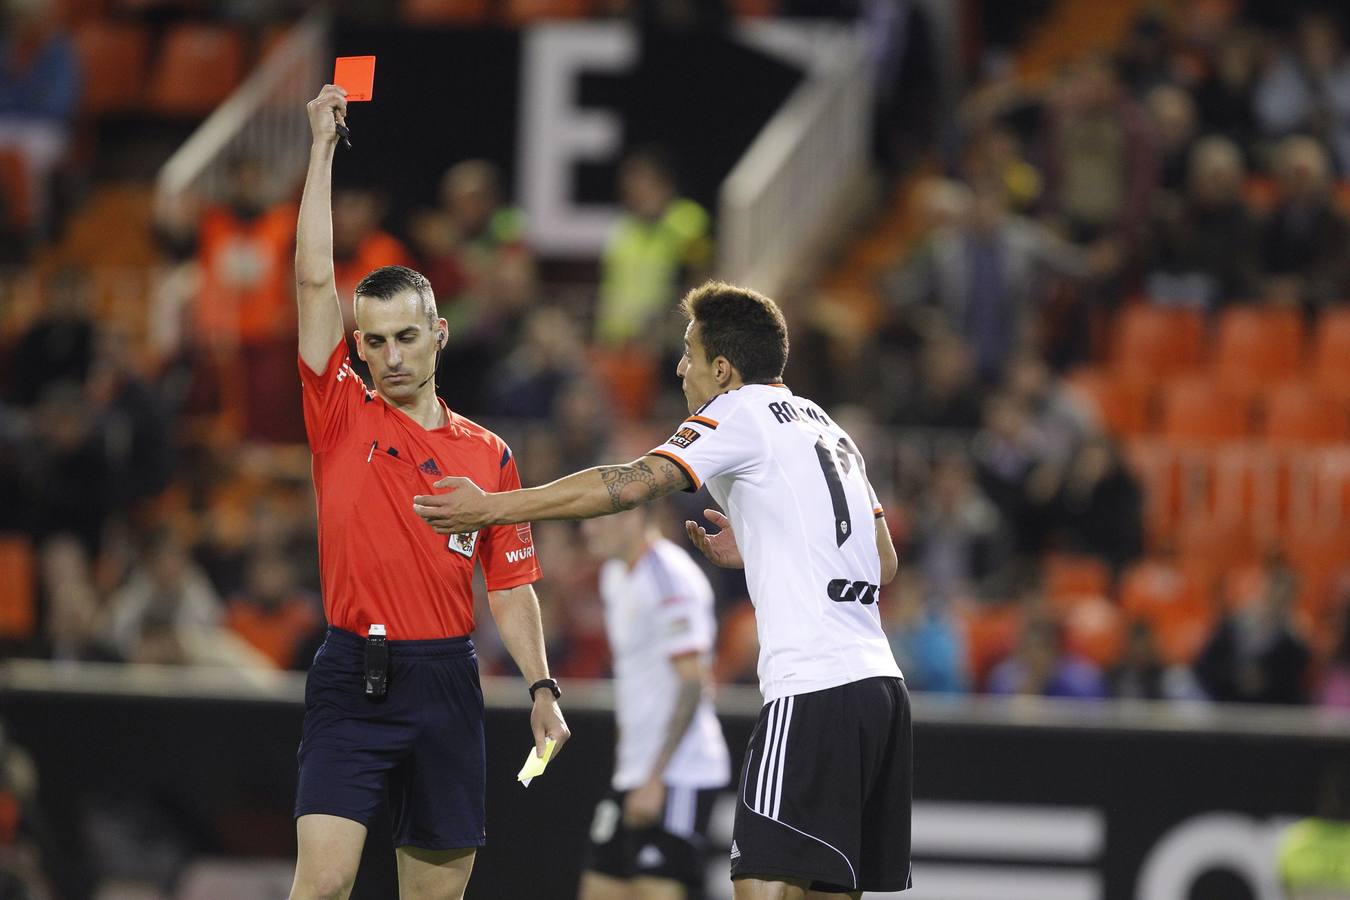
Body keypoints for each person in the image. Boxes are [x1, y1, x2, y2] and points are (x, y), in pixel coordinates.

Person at [415, 280, 912, 899]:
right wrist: (762, 542)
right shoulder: (828, 426)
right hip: (880, 688)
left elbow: (627, 484)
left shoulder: (738, 411)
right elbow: (882, 562)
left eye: (688, 353)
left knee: (760, 884)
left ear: (722, 369)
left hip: (814, 686)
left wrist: (493, 507)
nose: (679, 368)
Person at [290, 85, 569, 900]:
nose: (391, 356)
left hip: (445, 680)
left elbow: (510, 584)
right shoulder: (339, 412)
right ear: (358, 347)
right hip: (351, 674)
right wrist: (321, 148)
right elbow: (312, 282)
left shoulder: (489, 455)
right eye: (374, 341)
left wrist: (542, 686)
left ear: (439, 334)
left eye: (407, 336)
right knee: (323, 884)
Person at [578, 504, 731, 900]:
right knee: (598, 889)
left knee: (655, 890)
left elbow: (693, 683)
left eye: (596, 515)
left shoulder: (670, 576)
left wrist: (656, 778)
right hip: (634, 772)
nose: (587, 528)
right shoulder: (614, 575)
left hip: (679, 773)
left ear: (632, 514)